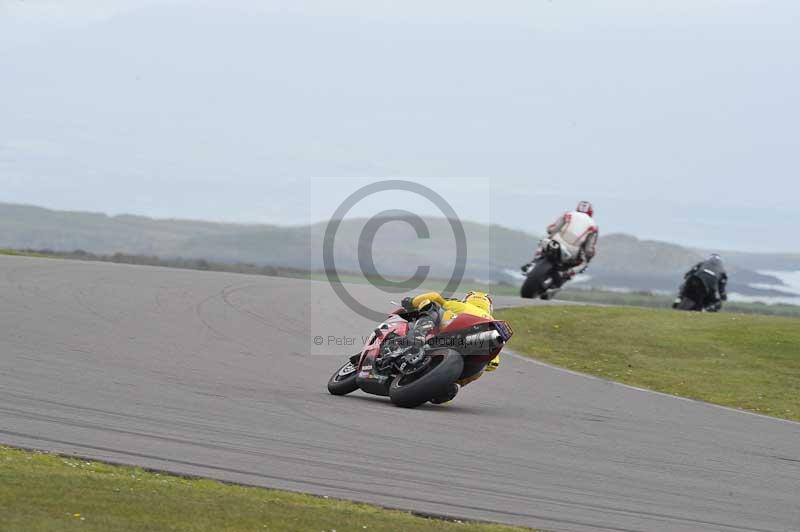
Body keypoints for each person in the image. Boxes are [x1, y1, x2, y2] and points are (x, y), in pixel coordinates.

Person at [400, 290, 499, 404]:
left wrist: (412, 302)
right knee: (483, 365)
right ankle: (455, 386)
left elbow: (434, 296)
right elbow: (494, 364)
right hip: (472, 351)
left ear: (468, 300)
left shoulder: (461, 305)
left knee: (431, 306)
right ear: (489, 307)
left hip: (449, 336)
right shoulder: (491, 322)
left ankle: (419, 335)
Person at [522, 201, 599, 287]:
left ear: (577, 208)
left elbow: (552, 229)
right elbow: (589, 249)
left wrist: (550, 231)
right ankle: (565, 274)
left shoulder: (568, 214)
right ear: (591, 212)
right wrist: (589, 256)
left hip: (556, 241)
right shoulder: (593, 226)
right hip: (572, 250)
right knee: (584, 264)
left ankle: (533, 263)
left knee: (544, 241)